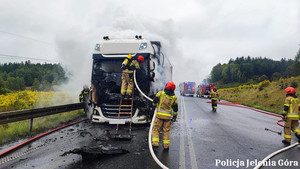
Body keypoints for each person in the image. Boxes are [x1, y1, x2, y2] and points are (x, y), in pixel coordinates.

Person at [152, 81, 178, 150]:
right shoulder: (174, 98)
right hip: (167, 118)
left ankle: (155, 144)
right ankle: (166, 146)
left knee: (156, 130)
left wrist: (154, 106)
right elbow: (175, 109)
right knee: (166, 131)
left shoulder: (160, 93)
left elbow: (155, 101)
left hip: (159, 117)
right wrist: (174, 116)